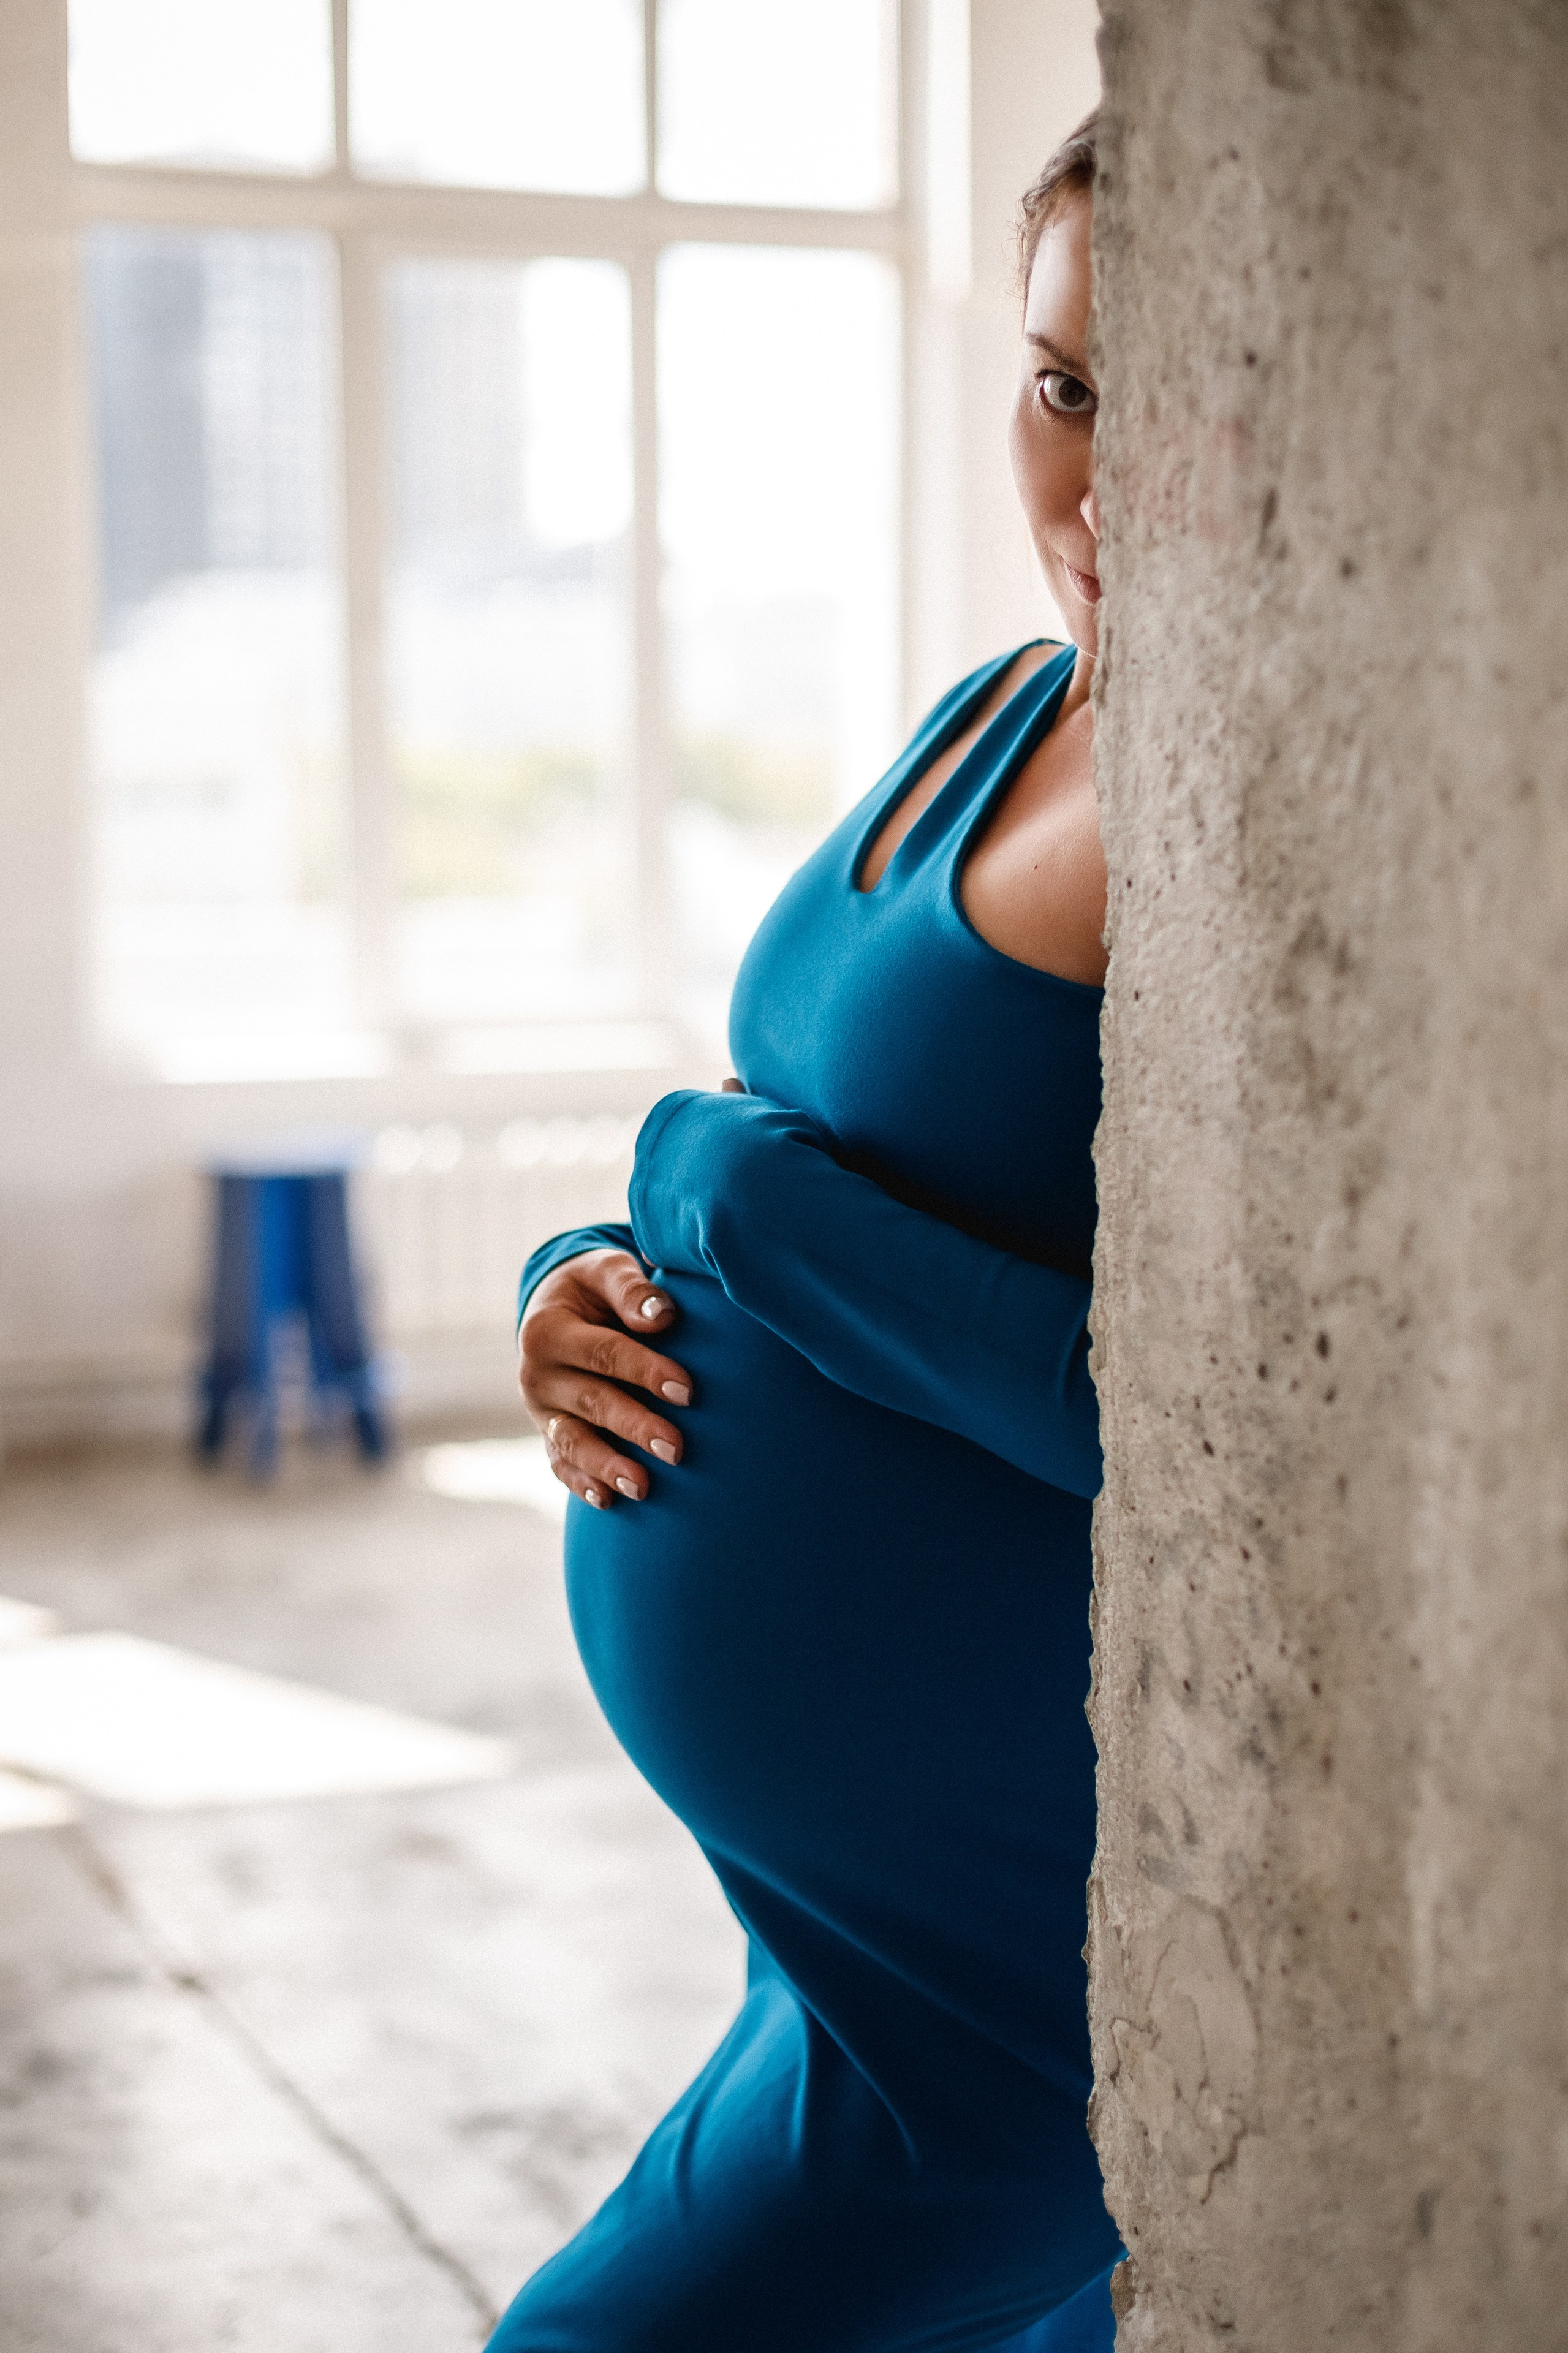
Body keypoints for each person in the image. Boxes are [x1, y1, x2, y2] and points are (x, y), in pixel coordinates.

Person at [495, 112, 1120, 2353]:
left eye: (1177, 404)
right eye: (1063, 389)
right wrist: (593, 1268)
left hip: (1012, 2004)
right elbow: (813, 1116)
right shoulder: (1007, 702)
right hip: (833, 1944)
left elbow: (1228, 1447)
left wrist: (724, 1200)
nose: (1100, 487)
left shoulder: (1264, 831)